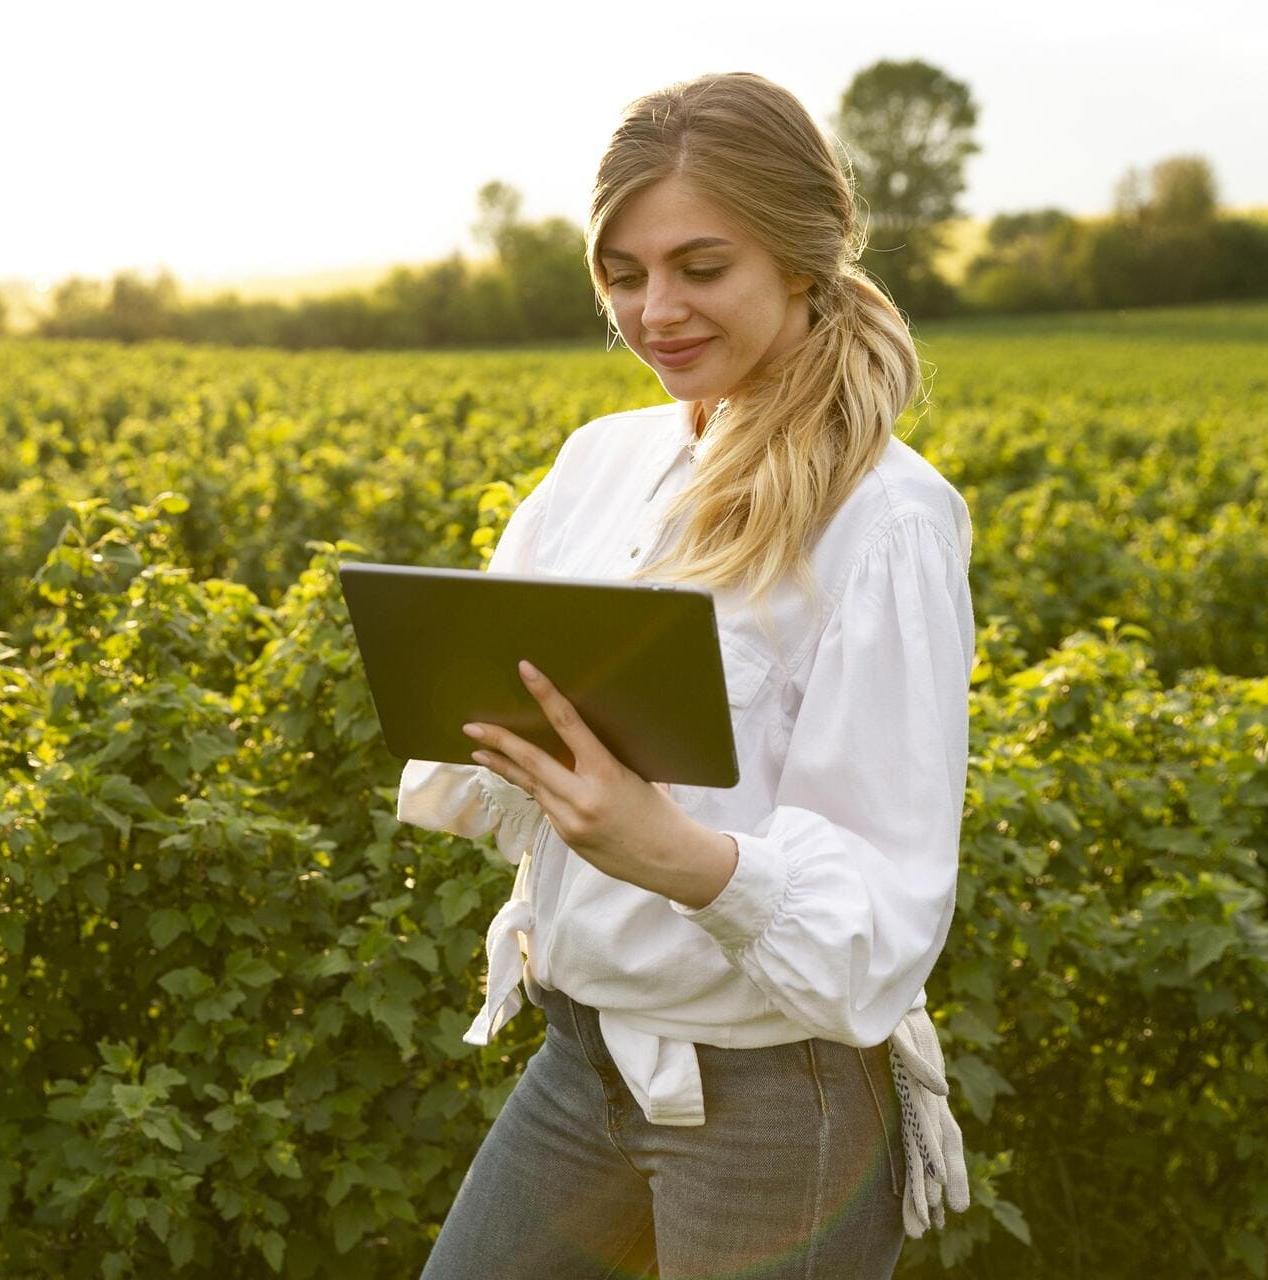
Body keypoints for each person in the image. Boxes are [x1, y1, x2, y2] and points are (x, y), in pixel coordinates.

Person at [397, 72, 973, 1280]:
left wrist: (668, 849)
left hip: (778, 1097)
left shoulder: (888, 518)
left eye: (700, 268)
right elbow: (495, 721)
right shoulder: (601, 461)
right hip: (583, 1057)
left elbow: (885, 913)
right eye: (624, 273)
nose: (655, 310)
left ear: (803, 261)